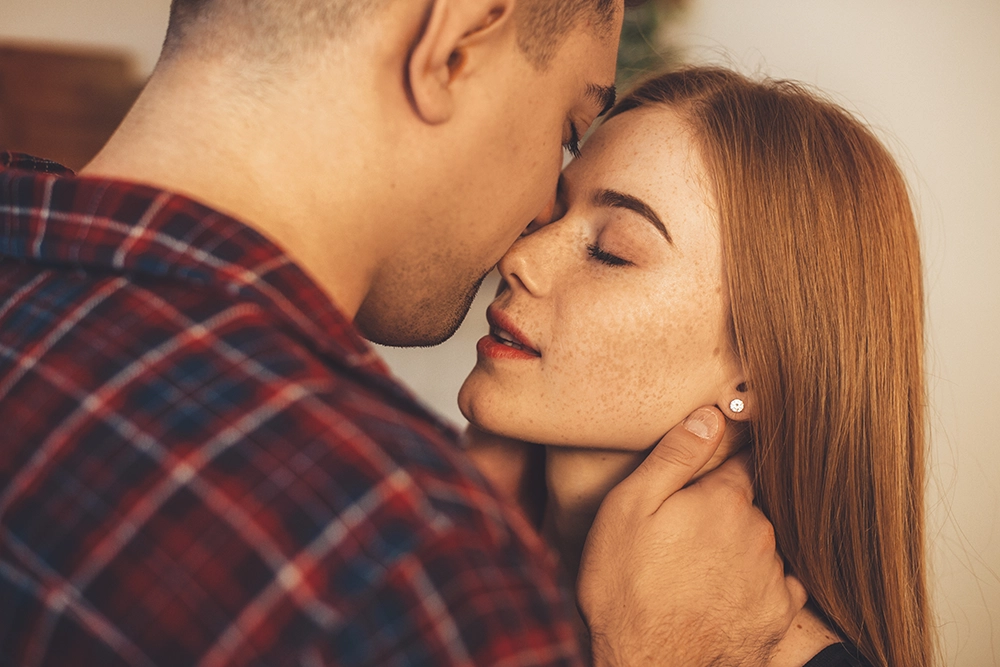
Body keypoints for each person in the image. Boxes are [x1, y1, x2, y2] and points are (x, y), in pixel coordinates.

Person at [0, 1, 805, 665]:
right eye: (566, 129)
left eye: (612, 247)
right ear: (451, 46)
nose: (526, 239)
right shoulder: (406, 568)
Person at [460, 67, 932, 667]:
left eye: (612, 252)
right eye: (550, 216)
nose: (519, 257)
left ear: (756, 374)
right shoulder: (443, 562)